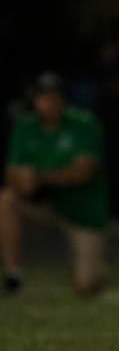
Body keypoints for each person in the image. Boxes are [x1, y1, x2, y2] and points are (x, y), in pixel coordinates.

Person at [0, 72, 109, 295]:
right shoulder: (25, 126)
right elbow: (11, 173)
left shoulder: (83, 123)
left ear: (62, 99)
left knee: (87, 285)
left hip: (82, 212)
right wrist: (23, 181)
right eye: (43, 97)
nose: (48, 102)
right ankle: (13, 273)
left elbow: (82, 172)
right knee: (6, 200)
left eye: (53, 96)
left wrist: (38, 177)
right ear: (35, 100)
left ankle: (98, 266)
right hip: (46, 207)